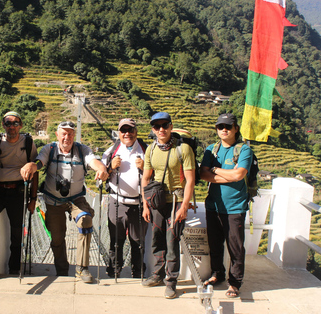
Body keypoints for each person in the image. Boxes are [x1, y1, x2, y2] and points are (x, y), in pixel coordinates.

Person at [20, 121, 109, 283]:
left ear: (74, 135)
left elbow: (92, 161)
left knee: (85, 220)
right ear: (57, 135)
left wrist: (101, 168)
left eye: (70, 134)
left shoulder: (82, 150)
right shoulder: (50, 149)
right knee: (57, 238)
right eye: (64, 133)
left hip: (77, 198)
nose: (67, 137)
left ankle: (82, 268)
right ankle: (62, 269)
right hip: (53, 201)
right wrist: (32, 166)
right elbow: (40, 163)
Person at [0, 111, 38, 282]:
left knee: (17, 230)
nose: (12, 126)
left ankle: (15, 267)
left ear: (21, 125)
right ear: (3, 125)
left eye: (15, 123)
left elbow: (35, 170)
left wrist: (33, 199)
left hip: (18, 191)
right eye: (8, 123)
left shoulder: (28, 142)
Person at [141, 112, 196, 299]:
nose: (161, 130)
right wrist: (145, 205)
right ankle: (157, 274)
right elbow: (146, 178)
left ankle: (171, 282)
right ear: (153, 129)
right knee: (157, 239)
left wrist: (184, 206)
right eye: (157, 127)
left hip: (176, 202)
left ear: (171, 127)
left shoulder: (184, 149)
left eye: (165, 125)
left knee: (172, 242)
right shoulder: (150, 150)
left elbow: (190, 181)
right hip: (157, 202)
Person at [200, 113, 254, 298]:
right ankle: (217, 274)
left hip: (235, 207)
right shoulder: (211, 149)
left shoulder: (244, 150)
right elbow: (203, 175)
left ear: (235, 129)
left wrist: (214, 170)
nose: (224, 130)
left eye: (228, 126)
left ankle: (235, 282)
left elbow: (239, 175)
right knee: (214, 245)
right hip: (213, 206)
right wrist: (227, 174)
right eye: (220, 126)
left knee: (235, 247)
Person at [102, 118, 147, 278]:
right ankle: (114, 270)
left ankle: (138, 272)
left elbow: (156, 175)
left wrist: (146, 167)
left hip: (139, 204)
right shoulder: (111, 150)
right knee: (116, 240)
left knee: (138, 242)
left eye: (130, 130)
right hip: (117, 202)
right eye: (123, 130)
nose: (127, 133)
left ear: (136, 132)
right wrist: (110, 167)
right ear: (119, 133)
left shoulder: (146, 150)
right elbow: (101, 175)